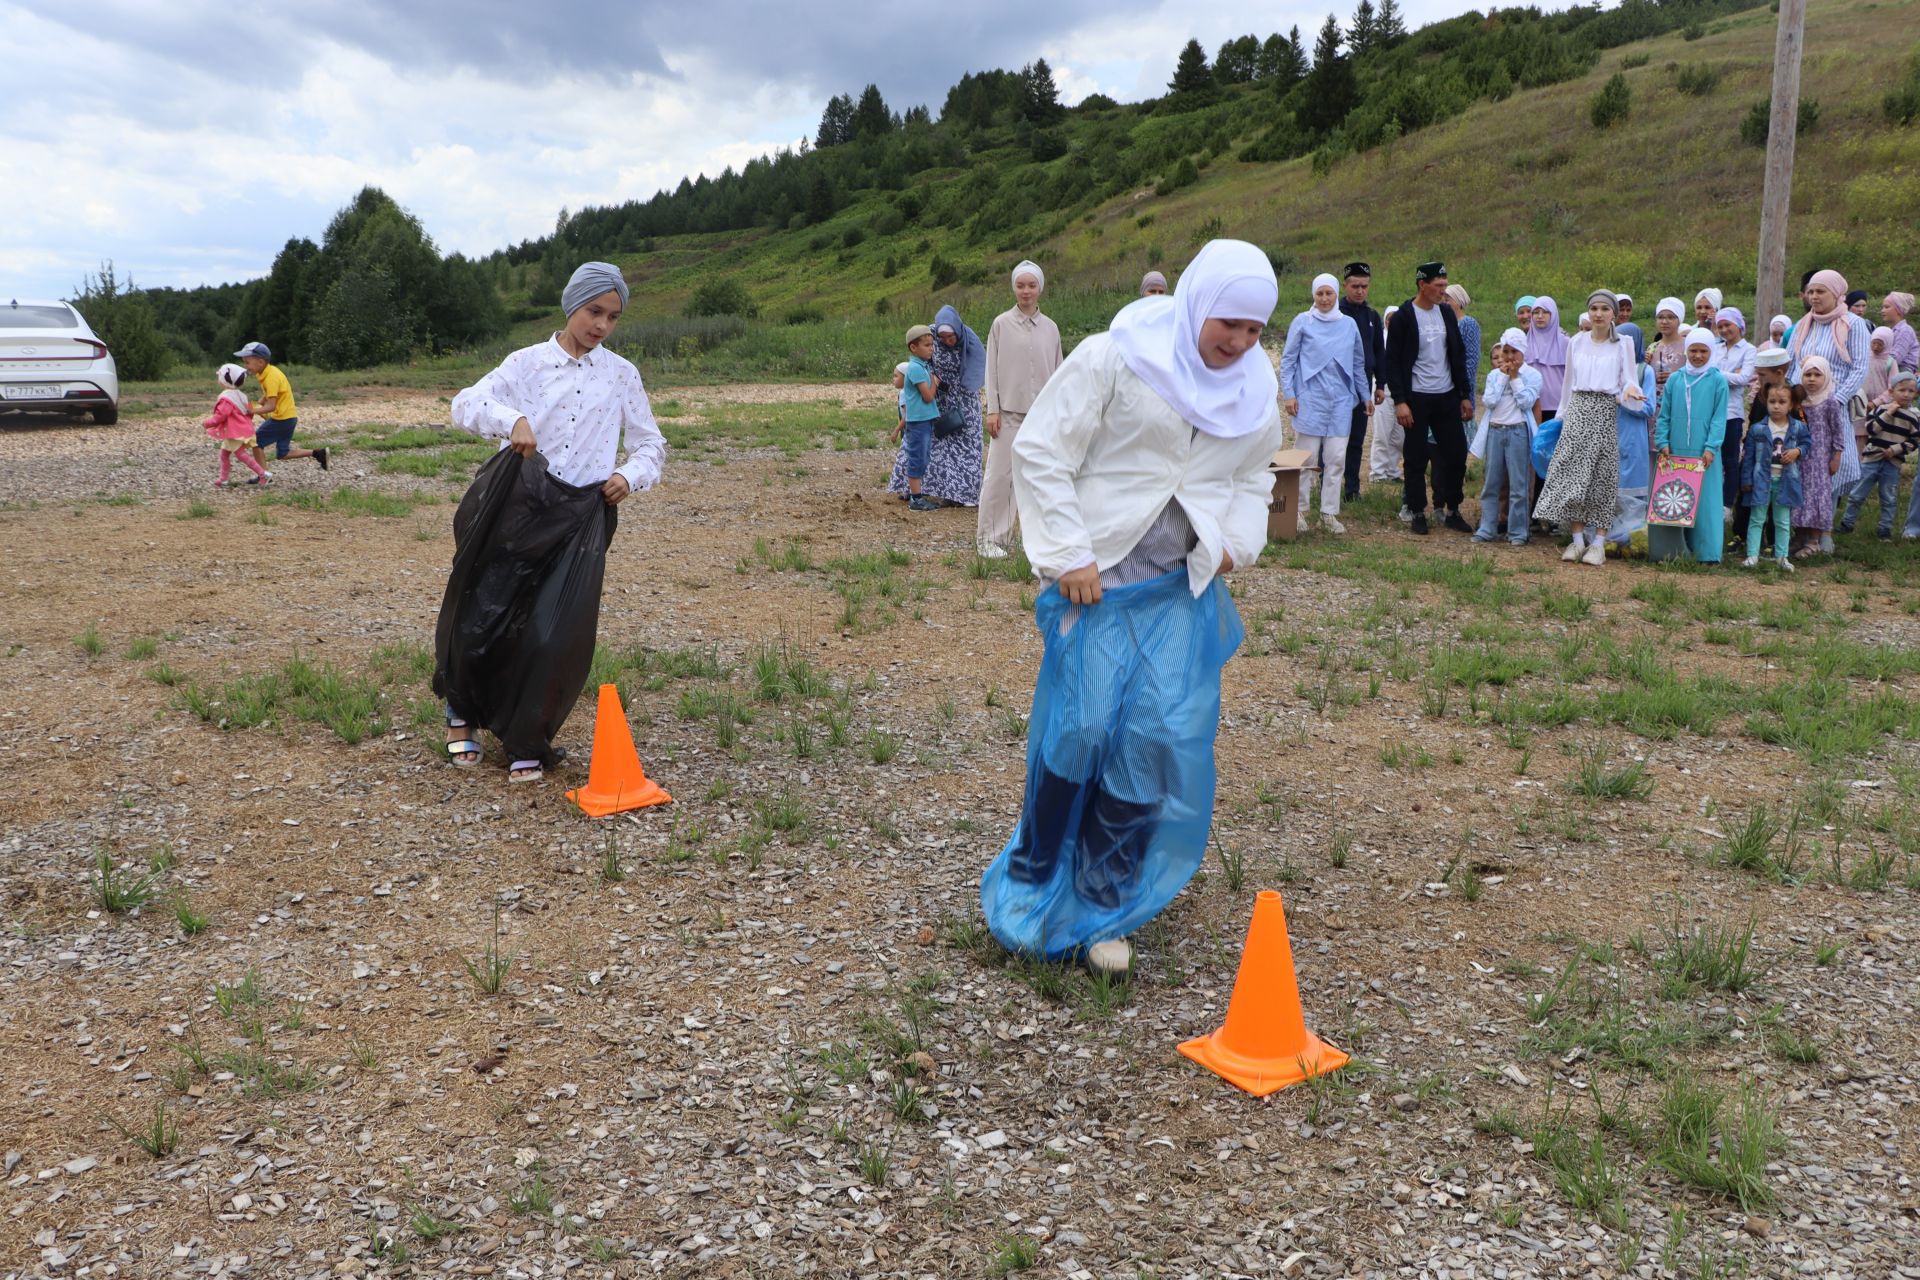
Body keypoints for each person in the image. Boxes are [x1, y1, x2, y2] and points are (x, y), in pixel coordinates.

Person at [981, 240, 1283, 976]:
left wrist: (1238, 543)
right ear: (1197, 303)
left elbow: (1253, 481)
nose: (1239, 342)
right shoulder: (1116, 357)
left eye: (1254, 330)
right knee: (1080, 728)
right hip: (1098, 581)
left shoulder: (1252, 390)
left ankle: (1107, 902)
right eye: (1228, 324)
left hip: (1180, 591)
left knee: (1151, 739)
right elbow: (1042, 449)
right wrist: (1069, 553)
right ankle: (1033, 879)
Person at [438, 261, 665, 783]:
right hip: (515, 505)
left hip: (583, 516)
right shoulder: (526, 364)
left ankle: (527, 737)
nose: (602, 325)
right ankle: (462, 716)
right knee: (484, 615)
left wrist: (629, 475)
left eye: (613, 316)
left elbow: (651, 442)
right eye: (594, 311)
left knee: (554, 631)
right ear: (572, 306)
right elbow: (465, 403)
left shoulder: (621, 374)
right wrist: (510, 420)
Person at [1537, 290, 1643, 563]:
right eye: (1594, 308)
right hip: (1578, 411)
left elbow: (1629, 379)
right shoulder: (1577, 341)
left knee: (1601, 477)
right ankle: (1576, 540)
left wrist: (1631, 391)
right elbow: (1568, 382)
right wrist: (1562, 416)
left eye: (1604, 309)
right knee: (1573, 476)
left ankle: (1598, 542)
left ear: (1613, 314)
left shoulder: (1624, 343)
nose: (1598, 314)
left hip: (1605, 410)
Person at [980, 261, 1063, 558]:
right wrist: (993, 409)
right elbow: (992, 369)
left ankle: (1039, 541)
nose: (1026, 291)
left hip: (1040, 417)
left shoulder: (1051, 329)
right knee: (1000, 476)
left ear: (1040, 288)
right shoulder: (1001, 324)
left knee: (1040, 479)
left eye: (1031, 285)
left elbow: (1058, 373)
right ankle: (990, 539)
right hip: (1008, 415)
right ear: (1014, 288)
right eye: (1020, 285)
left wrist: (1057, 416)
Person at [1384, 262, 1473, 534]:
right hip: (1417, 397)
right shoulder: (1404, 317)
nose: (1443, 292)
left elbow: (1457, 355)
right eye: (1439, 286)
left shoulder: (1445, 314)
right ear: (1423, 285)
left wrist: (1465, 395)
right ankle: (1417, 510)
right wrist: (1400, 401)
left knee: (1456, 453)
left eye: (1445, 286)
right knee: (1416, 457)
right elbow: (1393, 362)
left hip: (1446, 395)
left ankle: (1452, 508)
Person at [1281, 273, 1369, 533]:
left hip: (1341, 401)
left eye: (1329, 293)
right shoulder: (1303, 322)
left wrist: (1365, 395)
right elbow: (1288, 361)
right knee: (1306, 458)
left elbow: (1357, 363)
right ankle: (1299, 510)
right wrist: (1289, 394)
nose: (1324, 298)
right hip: (1310, 398)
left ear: (1336, 294)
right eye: (1319, 293)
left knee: (1336, 458)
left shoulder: (1349, 324)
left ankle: (1329, 513)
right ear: (1313, 295)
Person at [887, 306, 984, 507]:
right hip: (934, 395)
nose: (948, 341)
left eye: (951, 336)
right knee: (926, 442)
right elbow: (919, 358)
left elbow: (979, 367)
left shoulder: (969, 340)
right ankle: (914, 489)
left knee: (962, 445)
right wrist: (932, 380)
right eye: (943, 337)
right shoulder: (930, 335)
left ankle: (959, 493)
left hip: (964, 398)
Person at [1652, 327, 1730, 564]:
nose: (1698, 356)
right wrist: (1662, 441)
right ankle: (1671, 551)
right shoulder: (1676, 379)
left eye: (1703, 351)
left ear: (1711, 351)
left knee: (1706, 501)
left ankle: (1706, 553)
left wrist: (1711, 447)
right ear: (1686, 351)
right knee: (1674, 496)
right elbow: (1664, 414)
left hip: (1703, 451)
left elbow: (1719, 418)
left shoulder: (1717, 380)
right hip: (1675, 448)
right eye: (1693, 351)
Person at [1472, 328, 1541, 546]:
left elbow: (1526, 401)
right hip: (1495, 429)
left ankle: (1518, 530)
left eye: (1514, 352)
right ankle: (1487, 527)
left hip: (1518, 431)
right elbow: (1489, 401)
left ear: (1523, 353)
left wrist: (1515, 378)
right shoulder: (1494, 375)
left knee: (1519, 484)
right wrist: (1503, 377)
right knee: (1492, 482)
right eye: (1506, 351)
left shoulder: (1533, 375)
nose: (1509, 357)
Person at [1841, 372, 1920, 539]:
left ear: (1915, 394)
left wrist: (1897, 449)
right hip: (1871, 460)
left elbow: (1914, 441)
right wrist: (1888, 413)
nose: (1906, 394)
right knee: (1857, 493)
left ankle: (1885, 530)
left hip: (1892, 463)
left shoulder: (1913, 418)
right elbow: (1871, 429)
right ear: (1891, 391)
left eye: (1910, 391)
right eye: (1902, 390)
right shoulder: (1880, 410)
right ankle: (1847, 523)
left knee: (1889, 497)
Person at [1741, 382, 1810, 571]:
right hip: (1761, 481)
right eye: (1772, 401)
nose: (1776, 406)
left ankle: (1782, 557)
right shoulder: (1757, 429)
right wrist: (1746, 480)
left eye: (1782, 402)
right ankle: (1752, 555)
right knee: (1757, 519)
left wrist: (1797, 451)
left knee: (1782, 521)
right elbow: (1748, 457)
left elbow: (1807, 444)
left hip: (1786, 481)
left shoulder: (1797, 428)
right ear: (1766, 402)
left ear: (1791, 404)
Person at [233, 341, 328, 476]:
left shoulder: (271, 377)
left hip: (282, 419)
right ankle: (319, 453)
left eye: (247, 362)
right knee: (283, 453)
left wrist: (251, 411)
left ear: (260, 362)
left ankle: (263, 476)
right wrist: (261, 400)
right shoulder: (267, 373)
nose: (245, 366)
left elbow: (271, 406)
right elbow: (273, 393)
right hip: (290, 418)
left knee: (256, 442)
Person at [1789, 356, 1848, 556]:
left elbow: (1838, 431)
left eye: (1817, 375)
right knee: (1800, 495)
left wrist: (1836, 456)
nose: (1812, 379)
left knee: (1817, 498)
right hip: (1800, 458)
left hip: (1821, 460)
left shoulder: (1830, 401)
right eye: (1807, 374)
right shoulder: (1799, 400)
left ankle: (1814, 540)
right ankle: (1799, 537)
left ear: (1826, 377)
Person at [1338, 261, 1387, 501]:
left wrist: (1380, 385)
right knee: (1334, 437)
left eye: (1364, 286)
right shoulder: (1335, 313)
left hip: (1363, 384)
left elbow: (1379, 352)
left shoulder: (1372, 316)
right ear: (1345, 285)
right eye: (1355, 286)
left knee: (1357, 438)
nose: (1360, 291)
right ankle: (1327, 481)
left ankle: (1352, 489)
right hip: (1337, 383)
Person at [1604, 356, 1657, 555]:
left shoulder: (1644, 371)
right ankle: (1608, 539)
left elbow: (1648, 407)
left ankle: (1632, 540)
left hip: (1633, 437)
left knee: (1634, 489)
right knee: (1608, 487)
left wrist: (1622, 401)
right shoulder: (1609, 365)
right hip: (1608, 433)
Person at [892, 326, 944, 511]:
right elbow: (928, 397)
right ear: (913, 348)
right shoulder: (915, 369)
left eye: (932, 345)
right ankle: (915, 499)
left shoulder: (922, 366)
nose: (931, 349)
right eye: (927, 345)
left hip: (925, 419)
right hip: (918, 422)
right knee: (917, 457)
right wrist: (935, 384)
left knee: (923, 456)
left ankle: (918, 495)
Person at [203, 363, 272, 487]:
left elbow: (221, 416)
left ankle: (263, 474)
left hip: (234, 432)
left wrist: (207, 423)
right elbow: (249, 412)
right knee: (224, 454)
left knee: (240, 455)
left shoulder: (226, 398)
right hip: (240, 430)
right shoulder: (241, 396)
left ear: (225, 380)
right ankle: (223, 479)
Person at [1372, 304, 1407, 500]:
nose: (1391, 321)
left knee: (1398, 436)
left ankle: (1393, 472)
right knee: (1382, 434)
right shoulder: (1381, 340)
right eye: (1389, 318)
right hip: (1383, 391)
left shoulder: (1404, 339)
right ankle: (1378, 473)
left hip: (1400, 394)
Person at [1525, 296, 1569, 426]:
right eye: (1536, 312)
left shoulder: (1566, 342)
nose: (1540, 316)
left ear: (1553, 314)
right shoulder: (1525, 342)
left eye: (1545, 312)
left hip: (1559, 406)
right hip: (1531, 404)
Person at [1646, 298, 1689, 419]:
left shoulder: (1688, 346)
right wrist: (1643, 366)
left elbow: (1697, 375)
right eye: (1660, 317)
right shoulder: (1652, 347)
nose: (1664, 321)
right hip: (1655, 406)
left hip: (1679, 404)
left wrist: (1676, 377)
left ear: (1679, 320)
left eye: (1671, 317)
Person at [1445, 284, 1481, 414]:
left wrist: (1461, 387)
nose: (1444, 302)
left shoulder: (1468, 324)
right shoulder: (1443, 323)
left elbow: (1472, 360)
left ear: (1458, 301)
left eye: (1448, 299)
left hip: (1460, 387)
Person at [1882, 292, 1918, 373]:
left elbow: (1894, 358)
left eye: (1887, 307)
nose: (1882, 310)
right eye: (1883, 307)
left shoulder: (1905, 331)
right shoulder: (1890, 330)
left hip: (1902, 374)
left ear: (1899, 310)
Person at [1615, 293, 1645, 362]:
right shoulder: (1605, 331)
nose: (1625, 314)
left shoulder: (1634, 332)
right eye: (1621, 310)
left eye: (1628, 310)